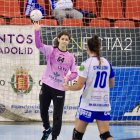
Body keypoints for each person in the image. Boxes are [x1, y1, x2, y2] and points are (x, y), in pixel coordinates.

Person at [63, 35, 115, 140]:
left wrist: (67, 87)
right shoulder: (107, 63)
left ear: (88, 48)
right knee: (105, 135)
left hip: (88, 105)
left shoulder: (85, 64)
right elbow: (111, 84)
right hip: (103, 105)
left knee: (77, 135)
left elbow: (78, 86)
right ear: (99, 48)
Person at [34, 23, 78, 140]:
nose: (64, 41)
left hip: (60, 88)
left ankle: (54, 137)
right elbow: (38, 45)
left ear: (69, 42)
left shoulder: (71, 57)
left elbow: (75, 73)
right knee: (43, 110)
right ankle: (47, 128)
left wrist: (68, 78)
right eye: (62, 39)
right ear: (58, 40)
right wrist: (37, 31)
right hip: (47, 85)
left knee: (57, 115)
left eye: (66, 39)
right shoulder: (51, 50)